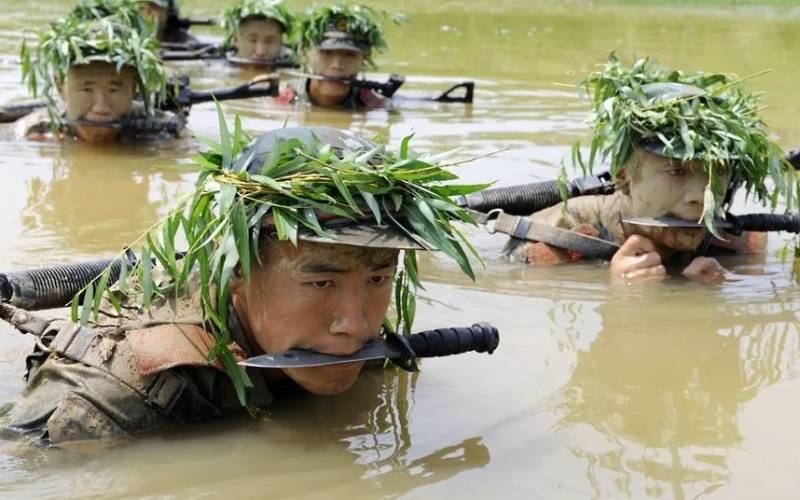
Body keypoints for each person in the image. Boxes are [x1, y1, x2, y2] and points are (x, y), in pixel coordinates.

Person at [0, 122, 484, 446]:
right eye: (320, 284)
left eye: (378, 277)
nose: (354, 323)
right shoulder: (115, 390)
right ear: (239, 274)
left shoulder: (356, 323)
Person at [503, 56, 796, 284]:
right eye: (677, 172)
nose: (700, 196)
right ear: (624, 178)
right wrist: (619, 291)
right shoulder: (558, 231)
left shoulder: (740, 241)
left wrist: (714, 292)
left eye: (716, 172)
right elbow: (515, 288)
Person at [16, 16, 183, 143]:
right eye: (87, 89)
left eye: (113, 90)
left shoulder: (166, 130)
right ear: (60, 87)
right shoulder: (29, 130)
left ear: (134, 88)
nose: (101, 108)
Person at [273, 3, 394, 109]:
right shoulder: (280, 99)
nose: (337, 65)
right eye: (326, 53)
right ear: (305, 53)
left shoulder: (376, 106)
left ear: (364, 59)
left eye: (350, 54)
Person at [220, 0, 296, 68]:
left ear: (280, 42)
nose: (260, 52)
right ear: (236, 40)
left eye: (269, 42)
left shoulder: (294, 65)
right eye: (253, 40)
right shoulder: (217, 65)